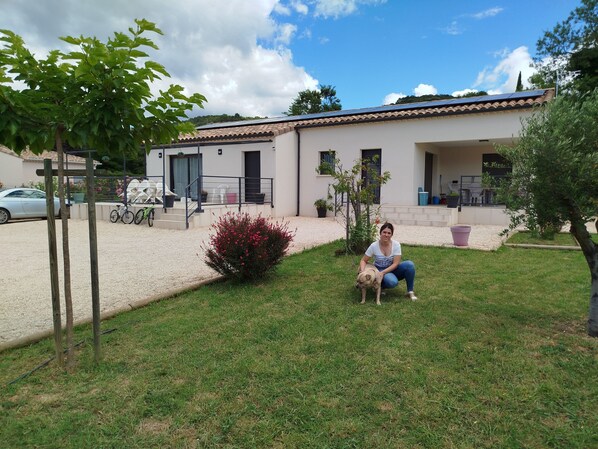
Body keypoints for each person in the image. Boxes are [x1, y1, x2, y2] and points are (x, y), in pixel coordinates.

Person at [359, 222, 418, 300]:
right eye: (384, 232)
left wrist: (383, 273)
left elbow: (396, 263)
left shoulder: (396, 245)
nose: (386, 235)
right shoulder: (374, 246)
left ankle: (410, 291)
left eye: (389, 233)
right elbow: (363, 260)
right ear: (380, 233)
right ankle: (380, 286)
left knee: (410, 265)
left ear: (391, 235)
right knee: (392, 282)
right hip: (378, 270)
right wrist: (363, 272)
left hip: (392, 268)